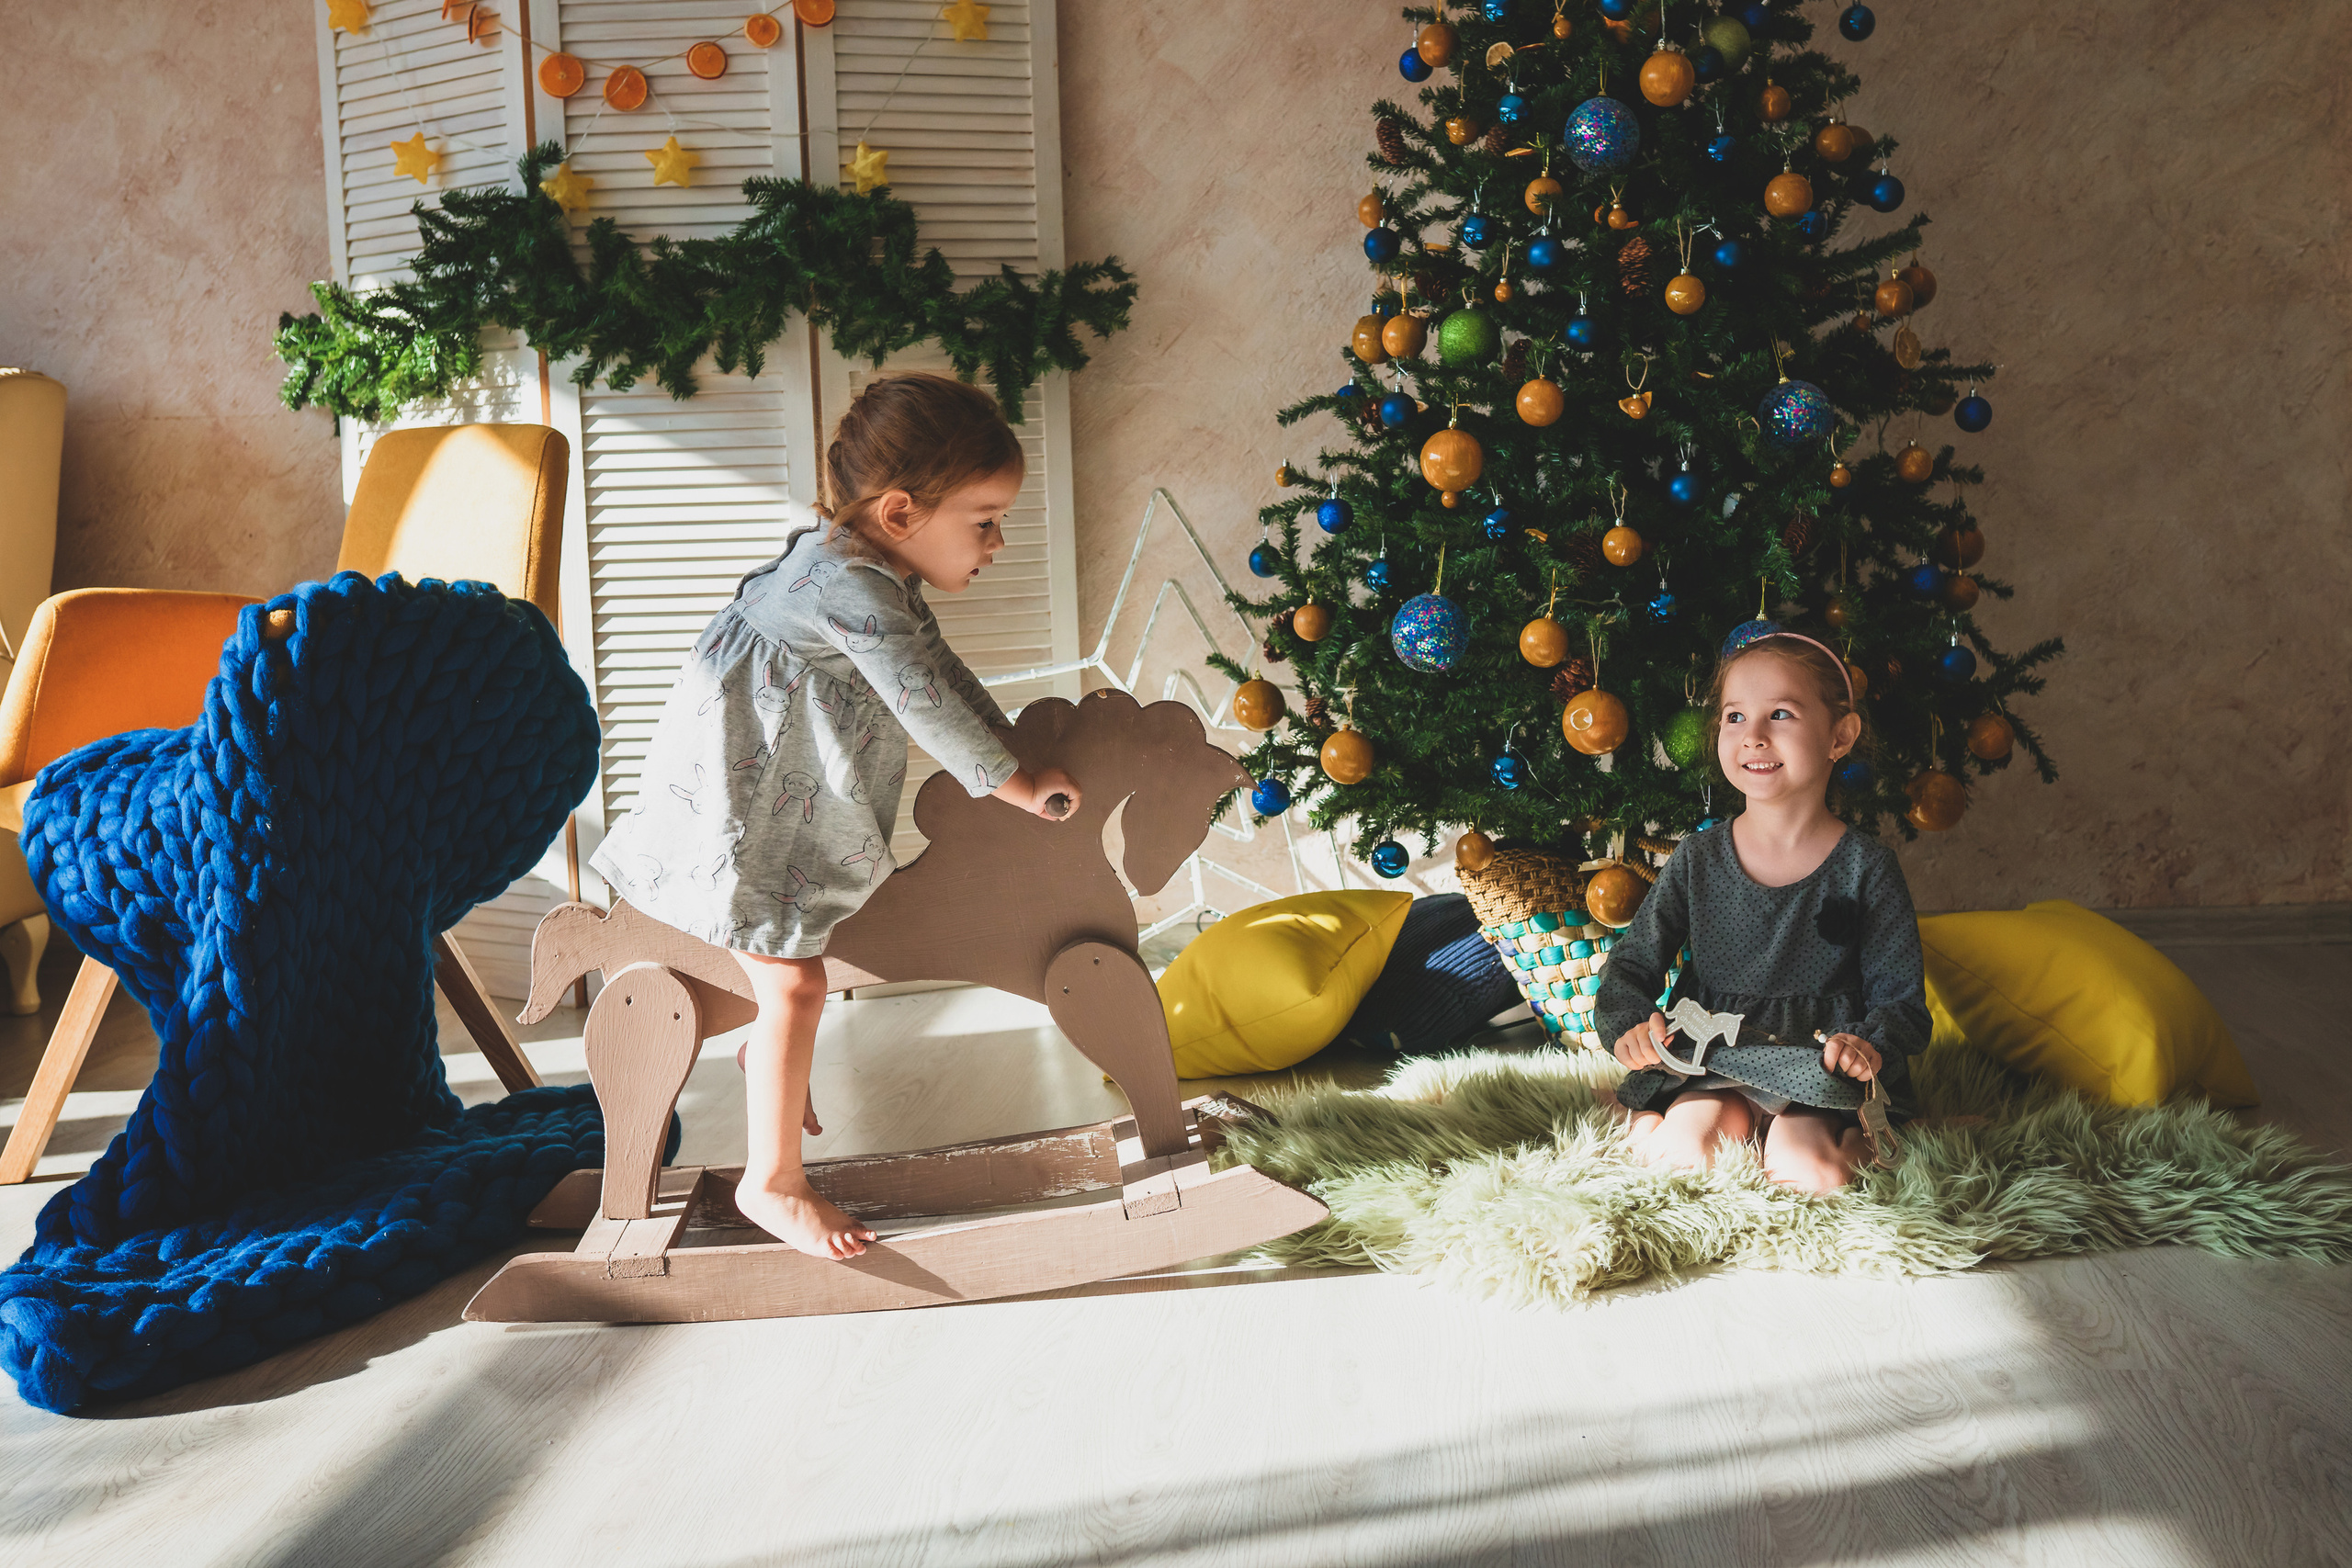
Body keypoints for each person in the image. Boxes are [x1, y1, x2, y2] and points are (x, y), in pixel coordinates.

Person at [589, 373, 1082, 1258]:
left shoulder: (864, 570)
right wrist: (1012, 785)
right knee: (797, 982)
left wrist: (1013, 745)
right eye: (984, 520)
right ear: (900, 513)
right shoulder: (847, 587)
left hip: (770, 796)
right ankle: (771, 1182)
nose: (999, 541)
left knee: (804, 971)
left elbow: (939, 668)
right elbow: (922, 699)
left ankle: (767, 1065)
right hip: (740, 818)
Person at [1591, 630, 1929, 1192]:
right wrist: (1629, 1023)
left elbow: (1902, 999)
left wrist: (1869, 1043)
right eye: (1733, 717)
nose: (1753, 736)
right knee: (1682, 1160)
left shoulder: (1866, 866)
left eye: (1780, 714)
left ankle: (1868, 1137)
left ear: (1839, 736)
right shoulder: (1698, 858)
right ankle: (1663, 1122)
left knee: (1811, 1174)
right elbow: (1631, 964)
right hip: (1713, 1057)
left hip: (1816, 1067)